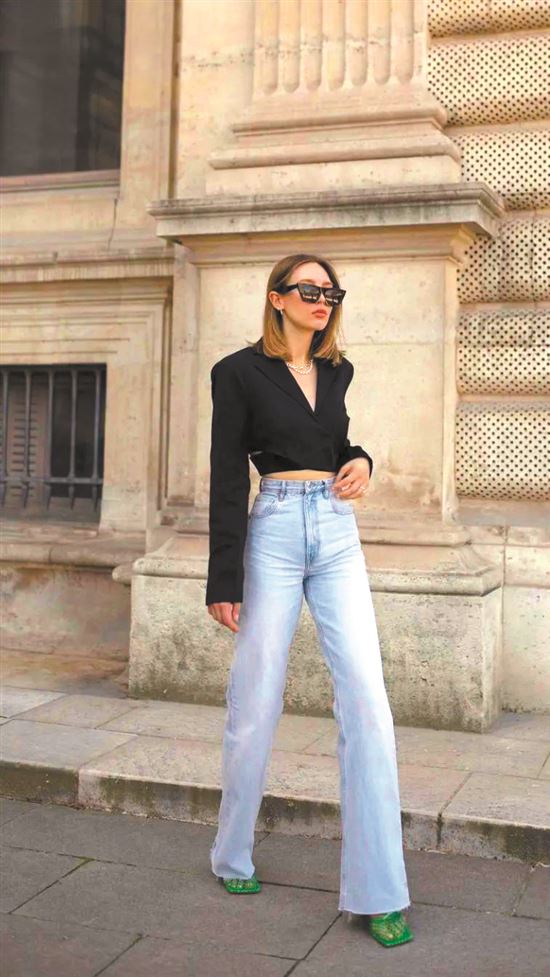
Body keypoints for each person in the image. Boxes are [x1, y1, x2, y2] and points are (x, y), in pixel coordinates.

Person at [205, 253, 414, 948]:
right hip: (272, 530)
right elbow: (227, 474)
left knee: (368, 704)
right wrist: (224, 577)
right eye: (309, 289)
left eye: (330, 292)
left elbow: (334, 440)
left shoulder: (336, 370)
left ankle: (379, 891)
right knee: (256, 697)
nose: (322, 300)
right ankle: (232, 851)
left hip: (336, 531)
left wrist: (362, 460)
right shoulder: (237, 372)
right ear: (277, 298)